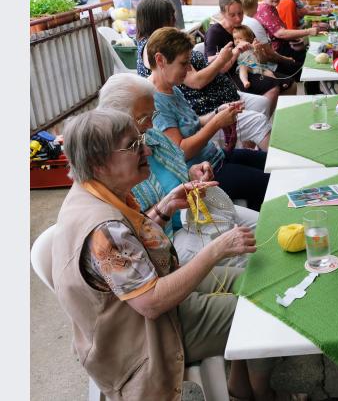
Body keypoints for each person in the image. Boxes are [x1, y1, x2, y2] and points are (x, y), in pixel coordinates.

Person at [51, 108, 278, 401]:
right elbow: (152, 303)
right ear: (98, 163)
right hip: (145, 334)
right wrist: (217, 249)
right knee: (262, 311)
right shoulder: (103, 230)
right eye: (133, 146)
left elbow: (130, 248)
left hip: (147, 306)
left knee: (258, 280)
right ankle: (263, 393)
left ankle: (240, 388)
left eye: (141, 141)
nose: (146, 150)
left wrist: (164, 207)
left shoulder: (89, 193)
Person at [96, 73, 260, 246]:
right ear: (117, 118)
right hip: (172, 235)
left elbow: (176, 169)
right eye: (144, 118)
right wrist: (167, 205)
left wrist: (191, 173)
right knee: (246, 248)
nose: (151, 125)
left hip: (199, 210)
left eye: (153, 115)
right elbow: (133, 233)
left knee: (262, 225)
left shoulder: (150, 135)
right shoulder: (112, 166)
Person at [147, 27, 270, 210]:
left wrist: (217, 112)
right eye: (183, 63)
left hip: (215, 158)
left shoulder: (173, 88)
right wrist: (216, 123)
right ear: (160, 60)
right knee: (269, 182)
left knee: (271, 162)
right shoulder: (154, 101)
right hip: (204, 175)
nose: (189, 68)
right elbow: (181, 152)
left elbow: (193, 122)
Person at [135, 0, 274, 120]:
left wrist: (221, 58)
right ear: (159, 20)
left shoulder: (153, 43)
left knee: (263, 103)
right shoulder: (160, 47)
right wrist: (222, 59)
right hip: (208, 105)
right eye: (171, 16)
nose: (175, 20)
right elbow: (196, 82)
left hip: (220, 94)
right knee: (260, 118)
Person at [204, 0, 281, 111]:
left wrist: (258, 52)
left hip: (250, 67)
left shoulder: (243, 29)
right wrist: (236, 51)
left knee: (289, 84)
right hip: (228, 77)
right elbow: (217, 69)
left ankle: (261, 117)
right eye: (232, 15)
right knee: (274, 86)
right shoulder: (214, 33)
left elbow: (262, 61)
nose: (238, 18)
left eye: (240, 13)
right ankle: (259, 121)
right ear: (222, 14)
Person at [255, 0, 322, 94]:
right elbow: (280, 33)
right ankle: (314, 94)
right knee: (312, 64)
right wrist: (308, 31)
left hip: (283, 47)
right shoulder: (266, 9)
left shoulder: (270, 8)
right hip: (277, 53)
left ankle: (313, 91)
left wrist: (297, 37)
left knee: (312, 55)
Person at [236, 0, 297, 95]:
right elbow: (270, 55)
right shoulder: (253, 22)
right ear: (255, 3)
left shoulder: (238, 21)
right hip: (257, 65)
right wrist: (287, 59)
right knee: (296, 74)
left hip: (244, 65)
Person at [232, 25, 279, 98]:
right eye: (235, 39)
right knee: (242, 67)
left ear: (248, 39)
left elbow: (261, 59)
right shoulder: (236, 49)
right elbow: (231, 55)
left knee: (269, 73)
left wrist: (256, 49)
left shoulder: (252, 46)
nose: (237, 41)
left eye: (240, 38)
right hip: (247, 66)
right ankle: (245, 81)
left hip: (257, 66)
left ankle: (276, 82)